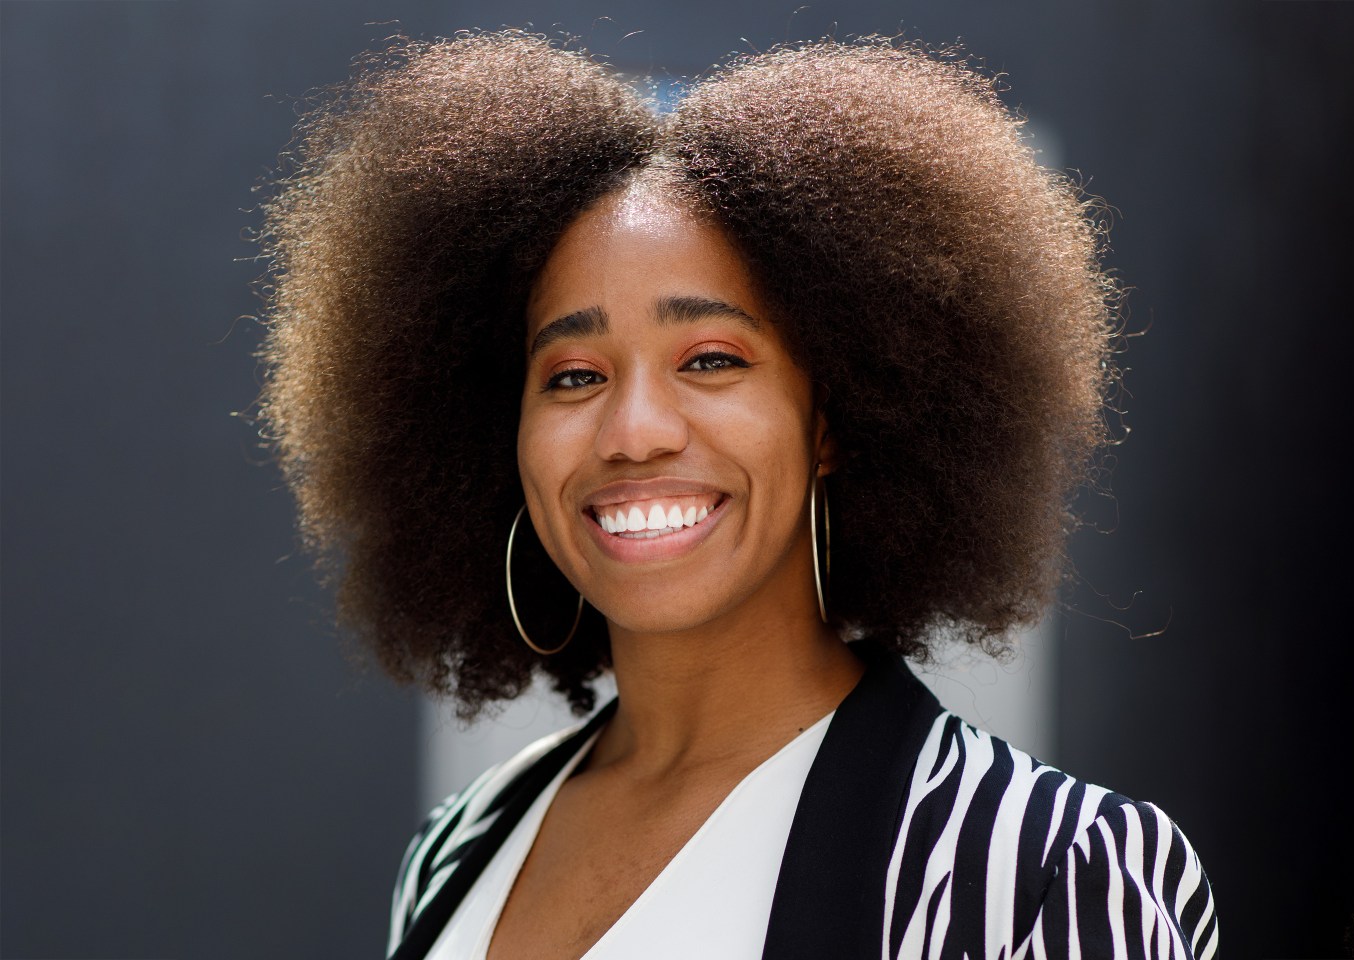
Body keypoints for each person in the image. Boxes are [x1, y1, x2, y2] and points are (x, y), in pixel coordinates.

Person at [257, 30, 1218, 960]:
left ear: (835, 418)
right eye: (573, 375)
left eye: (711, 360)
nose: (633, 431)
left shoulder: (1034, 873)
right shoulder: (457, 852)